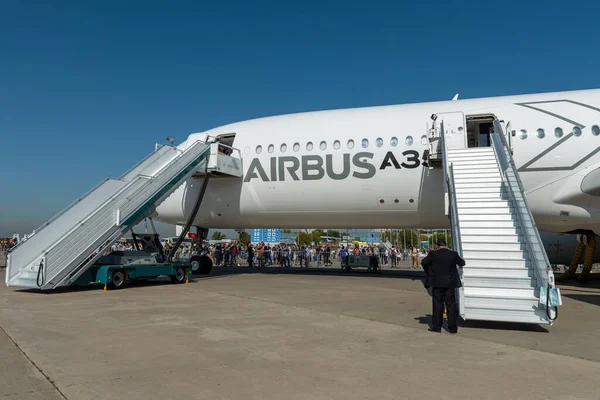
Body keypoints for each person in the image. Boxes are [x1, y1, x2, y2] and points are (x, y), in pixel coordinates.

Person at [421, 238, 465, 334]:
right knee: (451, 305)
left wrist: (430, 272)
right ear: (445, 244)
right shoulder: (453, 254)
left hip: (437, 283)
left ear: (437, 245)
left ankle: (437, 327)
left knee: (438, 305)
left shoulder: (433, 254)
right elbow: (462, 263)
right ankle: (452, 328)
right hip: (450, 283)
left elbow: (424, 262)